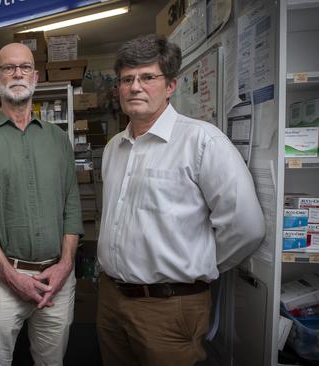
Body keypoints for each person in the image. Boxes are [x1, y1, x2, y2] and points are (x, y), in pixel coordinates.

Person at [96, 34, 266, 366]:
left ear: (171, 85)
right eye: (127, 79)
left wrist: (201, 265)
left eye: (147, 77)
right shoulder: (114, 147)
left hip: (169, 307)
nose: (135, 87)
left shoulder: (202, 142)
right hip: (111, 301)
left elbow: (247, 227)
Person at [0, 43, 83, 366]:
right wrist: (12, 277)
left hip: (56, 280)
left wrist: (65, 265)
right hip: (1, 282)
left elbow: (72, 208)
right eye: (8, 68)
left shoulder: (58, 140)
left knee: (51, 361)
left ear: (36, 76)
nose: (17, 73)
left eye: (24, 67)